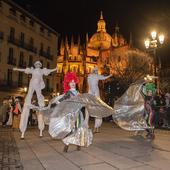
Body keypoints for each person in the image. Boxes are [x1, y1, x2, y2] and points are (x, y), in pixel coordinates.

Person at [48, 72, 92, 152]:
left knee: (79, 129)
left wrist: (86, 103)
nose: (73, 83)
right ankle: (66, 145)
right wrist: (54, 104)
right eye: (71, 82)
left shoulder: (78, 93)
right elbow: (61, 101)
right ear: (68, 83)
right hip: (70, 115)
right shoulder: (68, 93)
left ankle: (78, 144)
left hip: (78, 114)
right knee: (70, 129)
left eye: (74, 82)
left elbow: (82, 103)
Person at [13, 61, 57, 139]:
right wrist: (17, 69)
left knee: (39, 95)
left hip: (37, 85)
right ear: (35, 65)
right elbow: (24, 70)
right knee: (29, 94)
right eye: (36, 64)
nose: (37, 65)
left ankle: (41, 130)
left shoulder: (42, 71)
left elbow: (49, 71)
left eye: (38, 64)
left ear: (40, 65)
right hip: (32, 84)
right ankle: (22, 132)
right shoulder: (32, 70)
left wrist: (55, 69)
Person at [87, 67, 112, 133]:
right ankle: (90, 125)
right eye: (95, 70)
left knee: (97, 108)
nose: (96, 71)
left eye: (96, 71)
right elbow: (103, 78)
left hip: (94, 92)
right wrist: (110, 75)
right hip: (92, 92)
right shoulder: (91, 76)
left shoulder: (95, 76)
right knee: (89, 108)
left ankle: (96, 127)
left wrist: (109, 75)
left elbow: (104, 78)